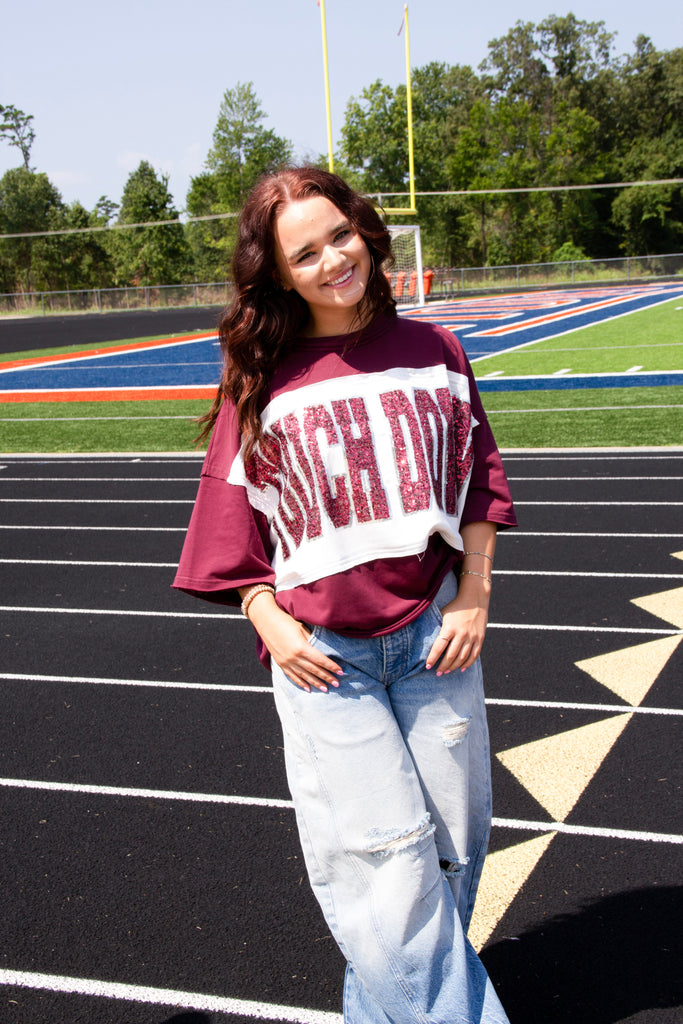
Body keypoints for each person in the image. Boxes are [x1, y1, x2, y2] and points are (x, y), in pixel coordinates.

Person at [173, 166, 517, 1024]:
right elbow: (230, 531)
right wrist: (269, 620)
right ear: (279, 273)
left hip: (436, 636)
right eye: (305, 252)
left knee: (449, 857)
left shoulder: (435, 352)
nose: (332, 260)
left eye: (340, 236)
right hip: (327, 660)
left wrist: (473, 594)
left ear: (364, 231)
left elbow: (478, 483)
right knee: (382, 867)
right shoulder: (260, 381)